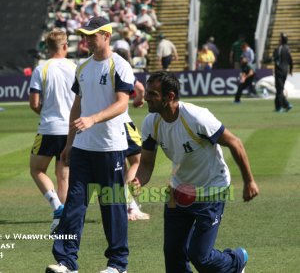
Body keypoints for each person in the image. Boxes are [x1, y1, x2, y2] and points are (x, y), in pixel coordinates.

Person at [131, 72, 259, 273]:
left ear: (170, 96)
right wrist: (137, 181)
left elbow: (235, 143)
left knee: (201, 257)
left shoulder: (197, 117)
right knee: (173, 256)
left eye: (152, 93)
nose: (146, 97)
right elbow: (146, 165)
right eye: (146, 92)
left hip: (211, 191)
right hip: (178, 192)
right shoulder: (151, 122)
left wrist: (249, 181)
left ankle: (236, 260)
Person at [46, 17, 135, 273]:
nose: (86, 39)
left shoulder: (119, 65)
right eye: (85, 35)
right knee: (74, 206)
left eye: (92, 35)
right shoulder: (82, 67)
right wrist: (69, 143)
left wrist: (93, 119)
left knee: (113, 208)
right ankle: (66, 262)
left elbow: (122, 104)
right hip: (83, 149)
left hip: (111, 148)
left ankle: (118, 265)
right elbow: (77, 105)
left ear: (106, 35)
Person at [29, 28, 76, 234]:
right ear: (65, 46)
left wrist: (45, 112)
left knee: (37, 169)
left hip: (50, 127)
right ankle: (62, 219)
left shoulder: (41, 68)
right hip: (72, 128)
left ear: (47, 48)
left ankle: (57, 207)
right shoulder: (75, 67)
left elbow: (34, 103)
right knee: (63, 174)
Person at [114, 48, 150, 221]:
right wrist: (139, 98)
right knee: (137, 160)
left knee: (121, 166)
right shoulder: (123, 67)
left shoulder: (102, 68)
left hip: (105, 125)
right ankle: (130, 205)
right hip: (122, 122)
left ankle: (129, 205)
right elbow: (140, 88)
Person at [273, 33, 293, 112]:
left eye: (279, 38)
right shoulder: (288, 48)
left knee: (279, 90)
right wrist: (290, 70)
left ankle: (280, 107)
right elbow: (290, 61)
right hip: (285, 71)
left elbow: (275, 59)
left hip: (279, 71)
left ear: (281, 40)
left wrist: (264, 61)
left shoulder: (279, 48)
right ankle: (286, 104)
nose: (278, 39)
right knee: (279, 89)